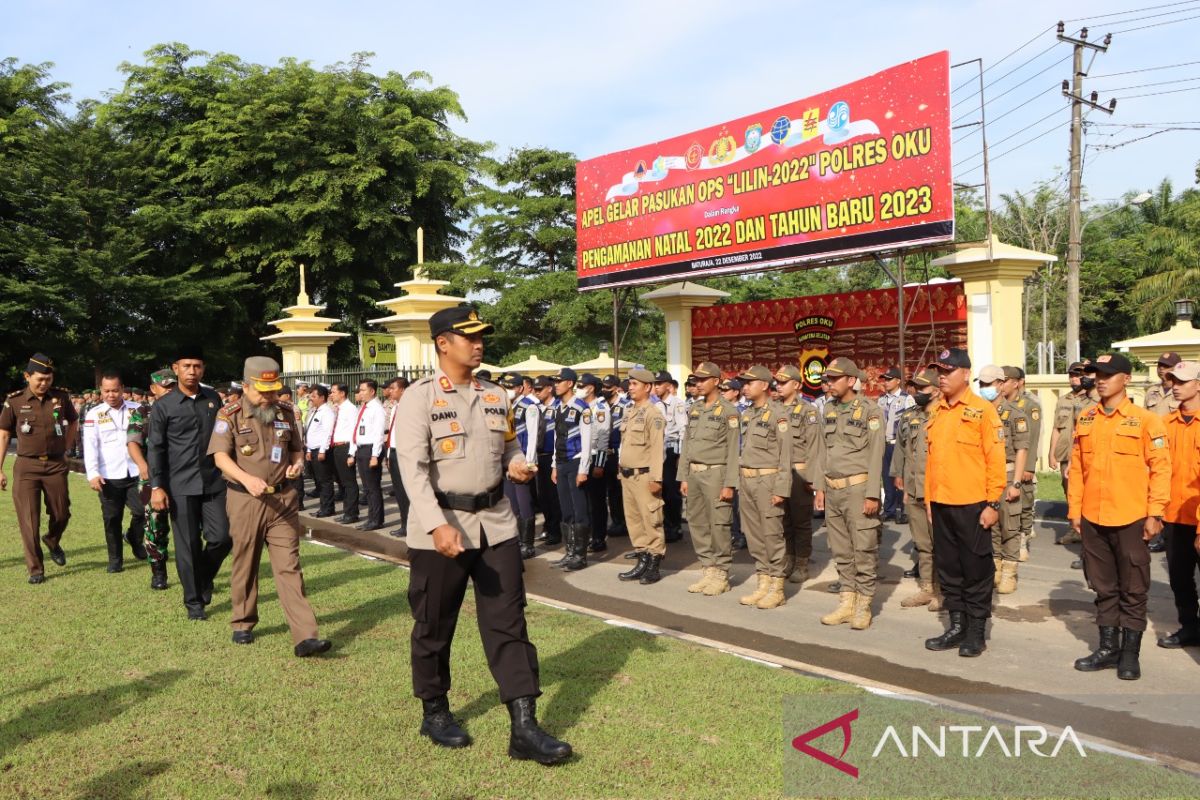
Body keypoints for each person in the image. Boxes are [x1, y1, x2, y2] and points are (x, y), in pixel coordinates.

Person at [395, 304, 571, 765]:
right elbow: (411, 471)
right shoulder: (419, 397)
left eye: (481, 337)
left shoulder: (497, 395)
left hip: (495, 524)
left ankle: (524, 727)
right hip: (441, 528)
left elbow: (509, 443)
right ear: (442, 344)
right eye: (468, 337)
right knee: (434, 623)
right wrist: (435, 524)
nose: (479, 344)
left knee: (509, 622)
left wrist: (515, 463)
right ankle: (435, 711)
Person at [208, 357, 331, 657]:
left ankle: (305, 636)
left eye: (273, 390)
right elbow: (220, 457)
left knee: (289, 566)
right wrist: (246, 479)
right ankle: (243, 621)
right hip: (245, 499)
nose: (269, 397)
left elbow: (296, 449)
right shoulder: (230, 414)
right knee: (246, 561)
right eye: (263, 391)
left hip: (283, 500)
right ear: (246, 386)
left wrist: (298, 463)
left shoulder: (286, 412)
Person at [1069, 353, 1170, 681]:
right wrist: (1075, 510)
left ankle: (1129, 654)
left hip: (1130, 517)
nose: (1100, 379)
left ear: (1125, 379)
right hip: (1093, 517)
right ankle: (1107, 648)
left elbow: (1161, 470)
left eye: (1109, 374)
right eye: (1097, 373)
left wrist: (1156, 513)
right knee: (1103, 586)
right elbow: (1078, 469)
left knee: (1134, 588)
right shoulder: (1086, 418)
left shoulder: (1145, 421)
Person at [924, 348, 1006, 658]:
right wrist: (930, 501)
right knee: (949, 570)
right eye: (939, 371)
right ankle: (955, 626)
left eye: (948, 371)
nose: (941, 377)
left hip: (974, 504)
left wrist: (992, 504)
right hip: (942, 503)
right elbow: (931, 461)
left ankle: (976, 631)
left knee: (976, 569)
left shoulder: (983, 411)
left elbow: (995, 460)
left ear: (965, 374)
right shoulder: (937, 410)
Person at [147, 347, 231, 619]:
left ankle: (203, 578)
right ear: (176, 368)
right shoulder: (163, 406)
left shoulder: (213, 400)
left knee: (222, 538)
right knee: (188, 545)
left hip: (213, 482)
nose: (192, 371)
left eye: (197, 366)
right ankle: (194, 602)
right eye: (187, 366)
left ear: (203, 369)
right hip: (180, 485)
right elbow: (156, 449)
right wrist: (157, 487)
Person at [815, 358, 884, 629]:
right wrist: (820, 487)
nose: (829, 383)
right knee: (841, 549)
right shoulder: (828, 409)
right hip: (833, 489)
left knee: (864, 548)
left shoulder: (871, 411)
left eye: (834, 379)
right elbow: (823, 452)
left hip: (858, 489)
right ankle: (846, 602)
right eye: (828, 379)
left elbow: (876, 455)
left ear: (851, 380)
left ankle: (863, 605)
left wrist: (872, 495)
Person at [0, 353, 78, 583]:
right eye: (39, 379)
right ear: (27, 376)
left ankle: (52, 540)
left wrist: (65, 446)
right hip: (27, 467)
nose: (44, 383)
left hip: (55, 464)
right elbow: (4, 435)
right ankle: (36, 569)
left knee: (62, 512)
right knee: (29, 520)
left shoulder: (61, 398)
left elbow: (73, 421)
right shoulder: (14, 401)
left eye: (48, 379)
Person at [729, 366, 792, 609]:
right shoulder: (747, 414)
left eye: (749, 382)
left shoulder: (779, 414)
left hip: (768, 481)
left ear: (764, 385)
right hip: (748, 480)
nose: (744, 386)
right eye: (743, 383)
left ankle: (777, 586)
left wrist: (781, 489)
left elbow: (785, 456)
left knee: (772, 535)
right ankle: (763, 582)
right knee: (754, 535)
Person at [679, 362, 740, 596]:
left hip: (717, 473)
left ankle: (722, 572)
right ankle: (708, 568)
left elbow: (734, 450)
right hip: (694, 473)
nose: (698, 384)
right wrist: (683, 476)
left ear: (716, 381)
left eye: (703, 379)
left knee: (719, 524)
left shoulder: (728, 411)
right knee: (697, 521)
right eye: (696, 379)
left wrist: (729, 483)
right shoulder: (695, 408)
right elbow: (687, 444)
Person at [83, 372, 149, 573]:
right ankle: (115, 559)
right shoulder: (94, 414)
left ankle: (134, 538)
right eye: (106, 391)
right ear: (101, 391)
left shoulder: (137, 409)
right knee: (112, 519)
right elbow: (90, 445)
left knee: (142, 512)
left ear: (122, 389)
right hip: (108, 475)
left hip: (135, 471)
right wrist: (92, 473)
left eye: (115, 390)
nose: (111, 395)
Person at [1158, 360, 1200, 650]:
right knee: (1180, 579)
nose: (1174, 386)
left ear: (1198, 384)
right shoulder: (1165, 424)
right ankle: (1190, 627)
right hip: (1174, 514)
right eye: (1172, 380)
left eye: (1182, 381)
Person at [891, 368, 940, 609]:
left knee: (942, 543)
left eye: (924, 388)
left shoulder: (944, 415)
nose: (918, 392)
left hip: (939, 490)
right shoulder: (909, 416)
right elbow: (901, 447)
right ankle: (926, 588)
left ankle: (944, 592)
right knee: (922, 543)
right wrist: (898, 476)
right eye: (916, 388)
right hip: (913, 489)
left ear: (937, 389)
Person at [978, 365, 1028, 595]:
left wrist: (1016, 483)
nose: (984, 388)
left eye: (988, 384)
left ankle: (1009, 571)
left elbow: (1021, 450)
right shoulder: (979, 412)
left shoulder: (1015, 413)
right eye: (982, 384)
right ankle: (995, 568)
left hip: (1007, 474)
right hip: (985, 475)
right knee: (991, 525)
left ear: (1000, 384)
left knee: (1010, 525)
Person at [774, 364, 824, 586]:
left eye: (784, 382)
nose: (779, 386)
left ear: (796, 385)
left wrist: (812, 478)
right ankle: (788, 558)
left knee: (801, 521)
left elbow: (814, 446)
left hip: (799, 470)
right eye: (777, 382)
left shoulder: (808, 411)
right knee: (782, 519)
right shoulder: (773, 409)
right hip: (777, 471)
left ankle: (802, 563)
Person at [617, 368, 667, 585]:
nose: (630, 387)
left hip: (645, 476)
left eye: (635, 384)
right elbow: (624, 445)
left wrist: (656, 478)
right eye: (630, 383)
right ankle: (642, 559)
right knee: (634, 521)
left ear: (647, 387)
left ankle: (654, 564)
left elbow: (657, 449)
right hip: (628, 476)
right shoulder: (629, 411)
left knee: (651, 520)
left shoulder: (653, 413)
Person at [127, 368, 177, 590]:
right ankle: (159, 572)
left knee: (188, 526)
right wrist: (143, 466)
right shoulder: (143, 411)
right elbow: (133, 442)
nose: (168, 390)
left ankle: (194, 571)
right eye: (164, 387)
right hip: (152, 476)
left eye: (172, 386)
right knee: (155, 526)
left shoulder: (184, 408)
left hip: (180, 475)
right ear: (153, 388)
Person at [550, 368, 593, 570]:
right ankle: (569, 552)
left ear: (570, 384)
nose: (556, 384)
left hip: (576, 461)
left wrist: (583, 469)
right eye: (555, 381)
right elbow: (557, 438)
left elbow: (587, 441)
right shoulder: (558, 407)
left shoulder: (581, 408)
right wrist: (553, 465)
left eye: (559, 381)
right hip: (561, 462)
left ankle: (580, 555)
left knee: (579, 509)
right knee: (565, 510)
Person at [1050, 361, 1097, 545]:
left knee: (1086, 493)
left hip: (1085, 455)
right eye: (1071, 375)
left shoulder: (1093, 399)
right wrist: (1051, 453)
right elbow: (1056, 428)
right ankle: (1074, 528)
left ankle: (1089, 531)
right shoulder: (1063, 399)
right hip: (1065, 454)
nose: (1074, 378)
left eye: (1078, 375)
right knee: (1070, 492)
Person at [502, 373, 540, 557]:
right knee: (511, 502)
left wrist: (530, 462)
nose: (508, 390)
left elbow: (532, 436)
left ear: (520, 388)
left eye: (511, 386)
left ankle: (527, 543)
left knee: (524, 502)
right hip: (509, 461)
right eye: (505, 386)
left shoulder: (529, 407)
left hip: (523, 459)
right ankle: (516, 539)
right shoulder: (506, 406)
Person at [1010, 367, 1042, 563]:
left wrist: (1029, 466)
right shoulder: (997, 405)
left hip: (1023, 461)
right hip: (1004, 462)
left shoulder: (1029, 405)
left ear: (1016, 382)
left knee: (1025, 502)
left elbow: (1033, 436)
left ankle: (1022, 540)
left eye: (1004, 380)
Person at [653, 371, 688, 543]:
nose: (656, 387)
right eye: (655, 384)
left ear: (668, 385)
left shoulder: (677, 404)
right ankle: (666, 524)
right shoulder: (656, 405)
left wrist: (681, 455)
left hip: (673, 450)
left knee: (672, 490)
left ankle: (675, 526)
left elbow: (683, 430)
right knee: (662, 490)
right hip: (659, 451)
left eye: (659, 384)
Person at [878, 366, 914, 523]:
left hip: (899, 444)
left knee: (901, 477)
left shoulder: (907, 399)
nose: (885, 382)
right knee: (886, 478)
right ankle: (889, 509)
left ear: (898, 381)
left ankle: (903, 509)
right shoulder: (881, 400)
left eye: (889, 379)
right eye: (884, 379)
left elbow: (911, 422)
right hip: (884, 444)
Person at [348, 379, 386, 531]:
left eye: (363, 390)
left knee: (373, 487)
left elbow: (378, 434)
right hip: (361, 449)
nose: (360, 393)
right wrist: (353, 451)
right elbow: (357, 430)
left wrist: (375, 455)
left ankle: (376, 520)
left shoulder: (377, 408)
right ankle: (372, 518)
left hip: (371, 449)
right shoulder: (364, 407)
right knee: (367, 488)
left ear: (372, 391)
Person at [580, 374, 612, 554]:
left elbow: (603, 437)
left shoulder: (600, 408)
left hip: (595, 460)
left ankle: (599, 538)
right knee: (586, 502)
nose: (578, 389)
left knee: (596, 503)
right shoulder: (583, 407)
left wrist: (599, 465)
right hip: (583, 459)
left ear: (590, 388)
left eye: (581, 385)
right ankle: (589, 534)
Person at [721, 378, 749, 551]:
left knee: (739, 501)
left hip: (738, 457)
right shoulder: (720, 409)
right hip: (723, 458)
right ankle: (733, 532)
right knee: (727, 500)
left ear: (736, 392)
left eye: (726, 390)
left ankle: (742, 534)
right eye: (722, 389)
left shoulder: (743, 411)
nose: (723, 392)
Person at [534, 376, 563, 547]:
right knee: (543, 496)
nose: (537, 392)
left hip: (554, 456)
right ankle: (548, 526)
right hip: (539, 456)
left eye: (540, 389)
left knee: (554, 497)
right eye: (535, 389)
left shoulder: (559, 407)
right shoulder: (535, 408)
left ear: (549, 389)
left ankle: (556, 531)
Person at [601, 375, 630, 541]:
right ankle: (617, 521)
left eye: (608, 387)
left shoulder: (626, 405)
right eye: (604, 386)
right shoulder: (600, 404)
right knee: (611, 490)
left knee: (621, 490)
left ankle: (625, 521)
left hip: (620, 452)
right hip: (605, 453)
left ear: (617, 388)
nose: (605, 390)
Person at [326, 383, 360, 524]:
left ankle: (352, 513)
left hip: (346, 447)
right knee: (343, 482)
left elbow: (354, 432)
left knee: (349, 482)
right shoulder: (338, 409)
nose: (331, 394)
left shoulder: (350, 409)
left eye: (333, 392)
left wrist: (352, 454)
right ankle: (347, 511)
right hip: (337, 448)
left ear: (342, 393)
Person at [382, 377, 412, 537]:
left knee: (407, 492)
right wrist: (388, 455)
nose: (390, 391)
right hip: (393, 452)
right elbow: (392, 433)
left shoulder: (411, 407)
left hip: (405, 453)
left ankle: (410, 526)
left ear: (403, 389)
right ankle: (404, 524)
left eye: (393, 388)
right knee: (399, 492)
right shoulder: (395, 407)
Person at [304, 385, 336, 518]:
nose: (311, 398)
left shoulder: (327, 412)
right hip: (313, 450)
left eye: (314, 396)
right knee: (319, 480)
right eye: (311, 396)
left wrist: (322, 450)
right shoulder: (314, 411)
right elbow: (311, 432)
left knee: (325, 481)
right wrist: (309, 449)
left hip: (322, 451)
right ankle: (324, 507)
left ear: (322, 397)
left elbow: (327, 433)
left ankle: (327, 508)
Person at [1145, 352, 1182, 416]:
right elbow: (1144, 416)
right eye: (1159, 365)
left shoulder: (1183, 391)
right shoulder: (1151, 391)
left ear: (1177, 368)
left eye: (1166, 366)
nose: (1161, 368)